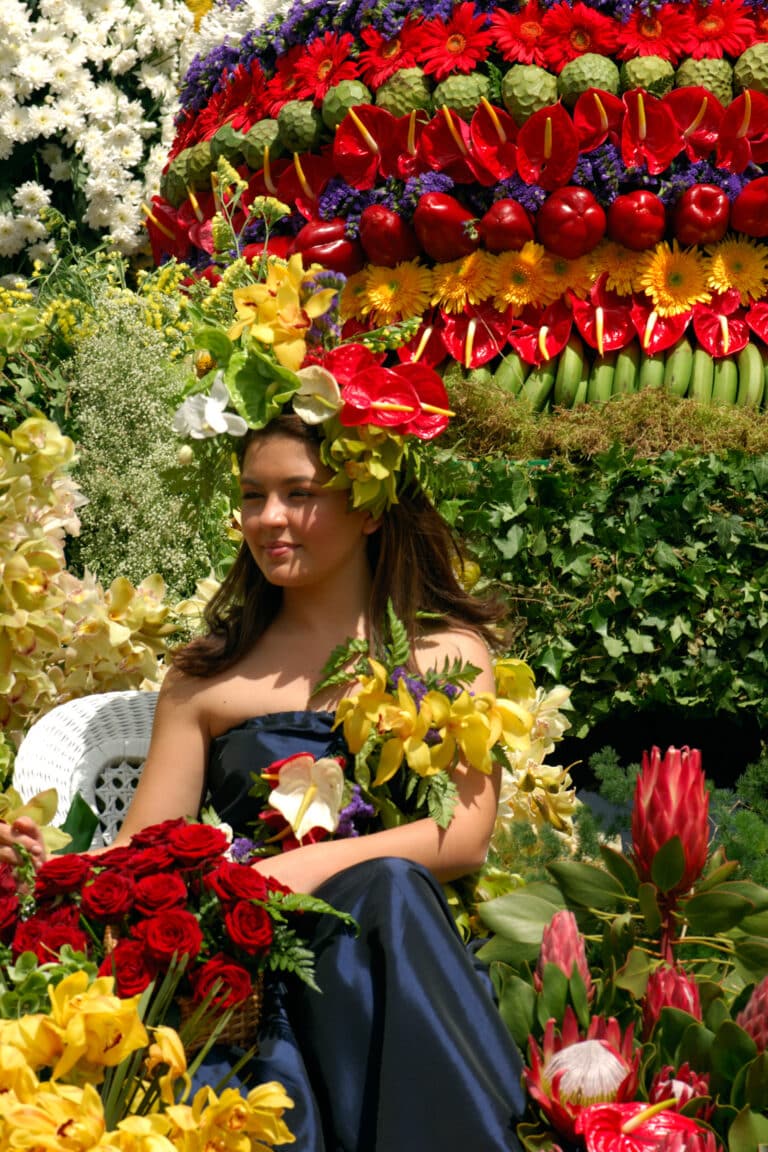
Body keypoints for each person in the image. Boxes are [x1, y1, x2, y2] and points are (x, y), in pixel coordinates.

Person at [0, 298, 527, 1150]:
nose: (269, 519)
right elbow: (148, 854)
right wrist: (46, 867)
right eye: (254, 496)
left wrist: (312, 867)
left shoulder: (443, 652)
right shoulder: (208, 675)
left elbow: (463, 835)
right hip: (256, 985)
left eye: (300, 495)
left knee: (388, 892)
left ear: (368, 505)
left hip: (399, 964)